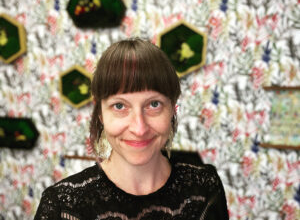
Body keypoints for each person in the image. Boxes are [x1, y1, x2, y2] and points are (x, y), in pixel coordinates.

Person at [34, 38, 229, 220]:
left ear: (172, 108)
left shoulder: (205, 187)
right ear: (101, 114)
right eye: (119, 106)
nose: (139, 128)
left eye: (154, 104)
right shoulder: (61, 206)